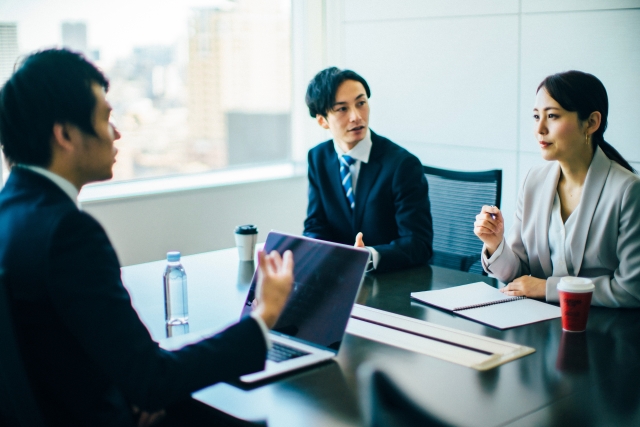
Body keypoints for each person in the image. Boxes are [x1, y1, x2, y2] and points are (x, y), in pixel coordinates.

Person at [0, 49, 293, 426]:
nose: (117, 132)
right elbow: (153, 380)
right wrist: (263, 318)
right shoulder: (68, 234)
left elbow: (57, 356)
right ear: (66, 134)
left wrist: (128, 390)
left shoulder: (11, 215)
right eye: (105, 118)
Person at [474, 70, 640, 307]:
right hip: (537, 325)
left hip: (602, 329)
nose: (539, 129)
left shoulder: (627, 191)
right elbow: (517, 274)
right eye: (535, 116)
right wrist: (494, 243)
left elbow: (631, 290)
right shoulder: (534, 181)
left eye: (552, 116)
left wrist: (548, 288)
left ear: (591, 123)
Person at [303, 67, 433, 272]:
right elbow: (315, 225)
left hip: (392, 282)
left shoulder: (402, 165)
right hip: (337, 279)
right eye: (342, 109)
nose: (356, 116)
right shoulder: (318, 157)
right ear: (322, 120)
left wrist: (369, 256)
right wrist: (318, 253)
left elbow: (418, 244)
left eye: (361, 103)